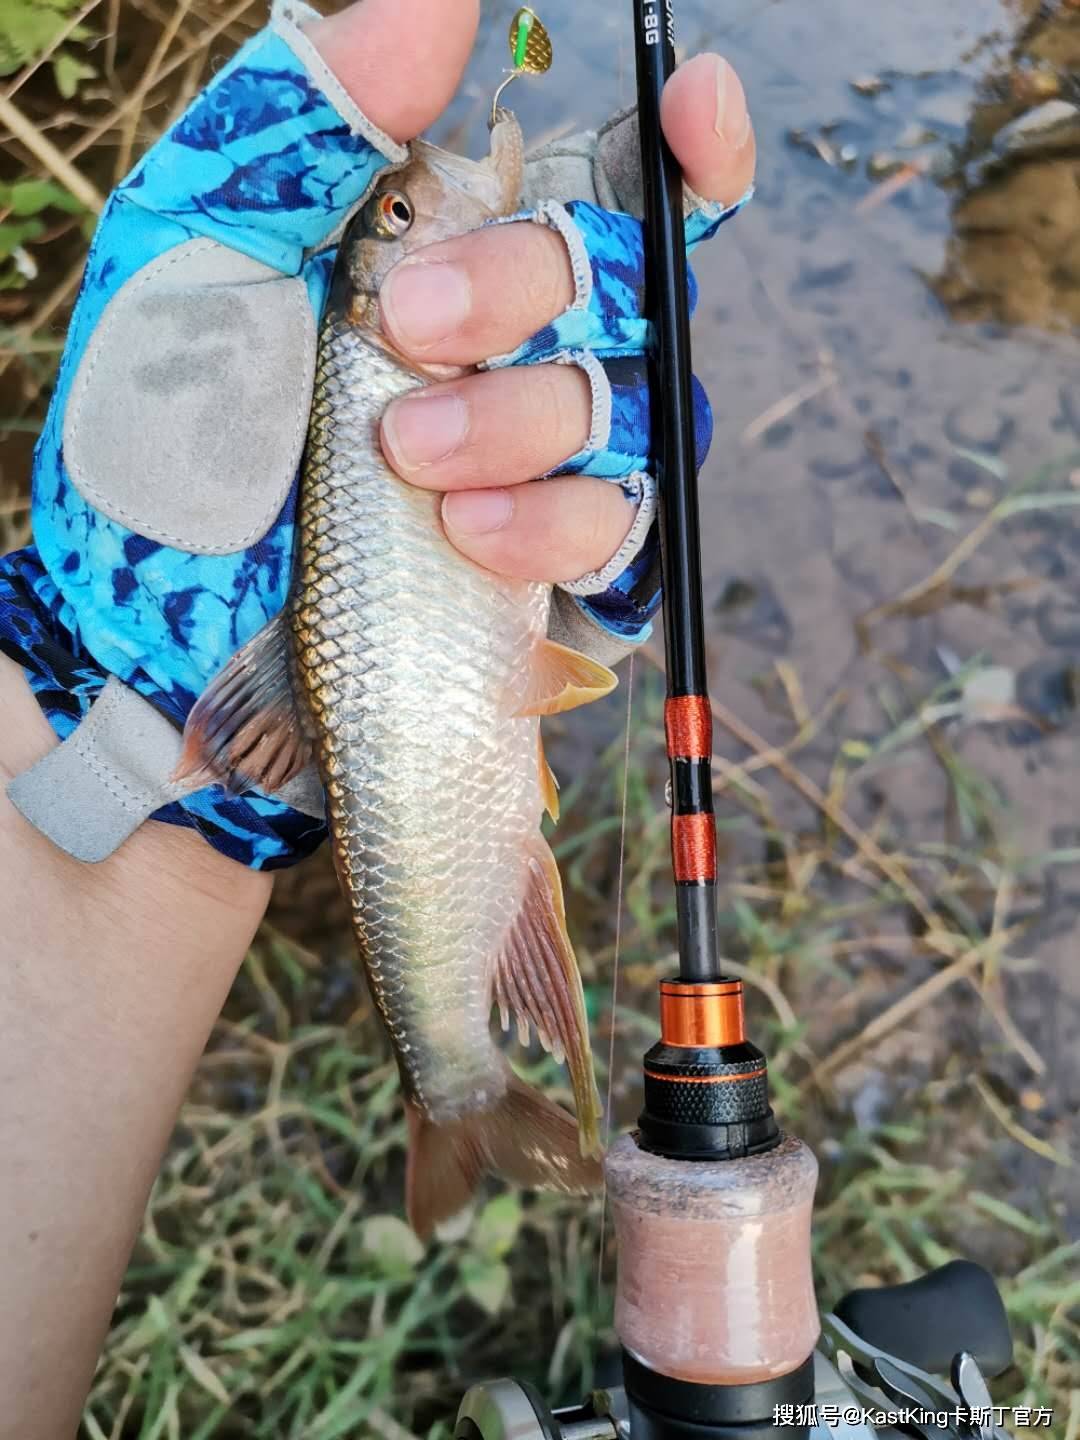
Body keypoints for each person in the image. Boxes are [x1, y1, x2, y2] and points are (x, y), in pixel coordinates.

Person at [0, 0, 755, 1430]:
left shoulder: (412, 312)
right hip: (402, 714)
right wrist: (123, 694)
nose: (422, 196)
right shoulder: (368, 334)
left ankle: (457, 1084)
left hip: (379, 713)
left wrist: (129, 738)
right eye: (403, 212)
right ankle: (458, 1085)